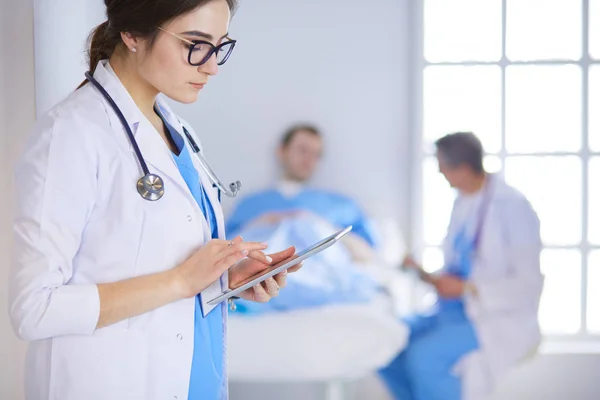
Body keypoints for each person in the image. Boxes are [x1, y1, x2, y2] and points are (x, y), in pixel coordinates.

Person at [8, 1, 302, 399]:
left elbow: (155, 262)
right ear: (131, 34)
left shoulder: (176, 131)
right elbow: (34, 309)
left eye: (219, 47)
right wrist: (180, 281)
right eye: (196, 44)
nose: (211, 66)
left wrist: (222, 281)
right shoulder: (71, 134)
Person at [379, 132, 544, 400]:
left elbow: (528, 285)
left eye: (442, 165)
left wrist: (469, 287)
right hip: (453, 309)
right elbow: (461, 266)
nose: (439, 171)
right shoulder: (463, 201)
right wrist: (424, 274)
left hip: (494, 317)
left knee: (423, 358)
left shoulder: (513, 207)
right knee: (386, 341)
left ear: (463, 168)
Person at [226, 124, 379, 263]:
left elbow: (369, 255)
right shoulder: (250, 204)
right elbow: (223, 250)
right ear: (282, 151)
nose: (309, 159)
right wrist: (262, 223)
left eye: (316, 154)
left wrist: (322, 227)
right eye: (302, 150)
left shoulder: (341, 205)